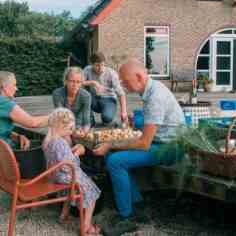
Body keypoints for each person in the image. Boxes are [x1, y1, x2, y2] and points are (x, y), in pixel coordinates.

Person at [93, 59, 185, 232]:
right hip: (160, 142)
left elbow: (144, 143)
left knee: (115, 161)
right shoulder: (151, 89)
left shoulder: (155, 96)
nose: (123, 85)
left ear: (139, 77)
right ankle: (137, 205)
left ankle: (126, 218)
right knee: (111, 155)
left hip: (171, 148)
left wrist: (112, 143)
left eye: (125, 81)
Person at [42, 108, 102, 236]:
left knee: (71, 189)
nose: (71, 132)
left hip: (54, 175)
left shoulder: (48, 140)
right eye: (70, 129)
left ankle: (64, 215)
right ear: (60, 126)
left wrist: (71, 151)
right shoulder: (60, 143)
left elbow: (61, 159)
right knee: (91, 193)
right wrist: (78, 153)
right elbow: (68, 166)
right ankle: (86, 228)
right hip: (65, 175)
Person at [0, 71, 48, 151]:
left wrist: (17, 137)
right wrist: (56, 116)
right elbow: (33, 123)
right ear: (4, 86)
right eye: (14, 85)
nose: (16, 88)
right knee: (46, 146)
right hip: (4, 152)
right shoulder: (3, 103)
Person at [82, 52, 128, 126]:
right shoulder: (87, 70)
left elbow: (121, 93)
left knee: (107, 118)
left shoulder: (111, 73)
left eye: (102, 65)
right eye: (97, 65)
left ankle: (106, 116)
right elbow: (78, 82)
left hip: (108, 99)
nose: (100, 68)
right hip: (93, 99)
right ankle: (90, 121)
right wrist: (93, 82)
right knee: (82, 94)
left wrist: (124, 112)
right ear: (92, 64)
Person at [52, 67, 92, 134]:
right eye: (72, 81)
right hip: (64, 124)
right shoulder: (57, 94)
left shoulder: (86, 96)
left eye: (78, 82)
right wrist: (72, 130)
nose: (75, 85)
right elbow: (61, 118)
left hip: (81, 122)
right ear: (66, 81)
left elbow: (86, 121)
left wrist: (84, 131)